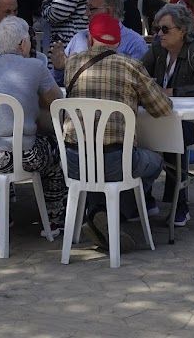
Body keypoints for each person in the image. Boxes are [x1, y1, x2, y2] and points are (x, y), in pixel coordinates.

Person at [61, 14, 172, 245]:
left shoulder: (71, 63)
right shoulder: (131, 66)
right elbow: (162, 109)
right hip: (115, 161)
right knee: (155, 161)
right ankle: (116, 213)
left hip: (73, 160)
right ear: (118, 42)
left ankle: (97, 214)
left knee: (93, 166)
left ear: (91, 39)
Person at [0, 15, 66, 232]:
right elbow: (58, 103)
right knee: (57, 150)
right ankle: (55, 219)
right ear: (22, 43)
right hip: (13, 156)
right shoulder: (35, 66)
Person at [141, 3, 194, 226]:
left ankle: (180, 204)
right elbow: (138, 73)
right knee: (137, 132)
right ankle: (144, 198)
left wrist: (173, 92)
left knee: (171, 134)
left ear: (182, 30)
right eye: (157, 29)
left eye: (165, 29)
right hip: (167, 117)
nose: (159, 34)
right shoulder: (158, 50)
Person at [51, 0, 149, 83]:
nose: (86, 13)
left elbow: (139, 84)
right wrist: (59, 69)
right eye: (86, 8)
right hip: (77, 99)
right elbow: (58, 83)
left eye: (91, 9)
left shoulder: (134, 43)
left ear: (109, 11)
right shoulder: (79, 38)